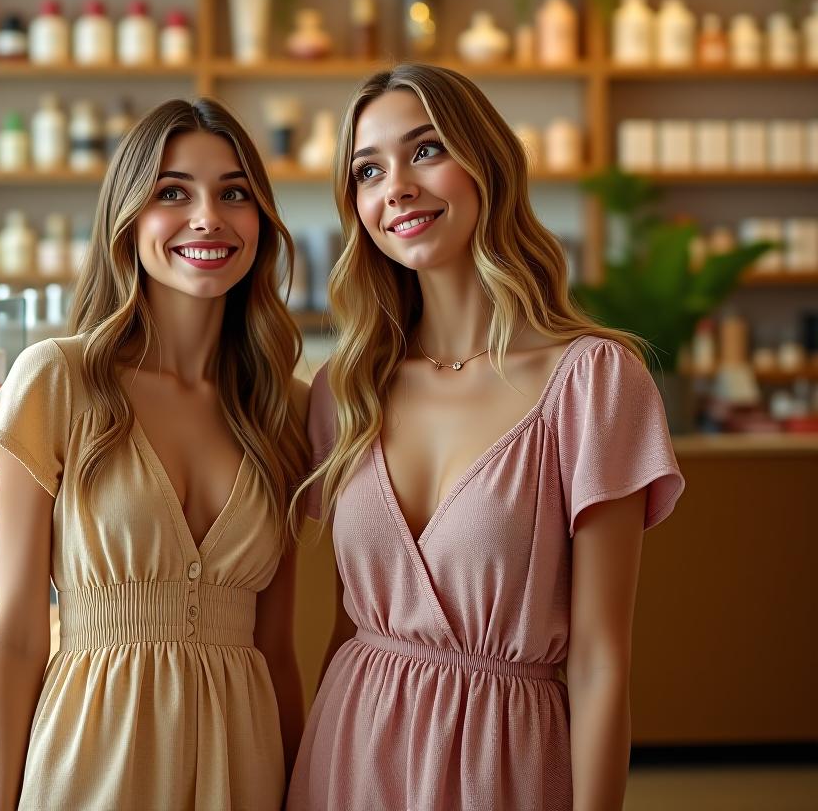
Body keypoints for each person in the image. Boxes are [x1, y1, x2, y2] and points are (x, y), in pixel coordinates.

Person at [287, 64, 685, 811]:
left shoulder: (593, 381)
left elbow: (601, 661)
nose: (396, 186)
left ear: (488, 164)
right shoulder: (346, 390)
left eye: (426, 150)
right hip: (347, 759)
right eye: (368, 170)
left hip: (503, 767)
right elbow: (346, 630)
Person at [0, 98, 309, 810]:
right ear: (127, 218)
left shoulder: (285, 409)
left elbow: (279, 651)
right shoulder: (57, 379)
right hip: (91, 763)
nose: (208, 216)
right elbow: (19, 633)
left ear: (261, 222)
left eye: (234, 193)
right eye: (172, 192)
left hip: (242, 770)